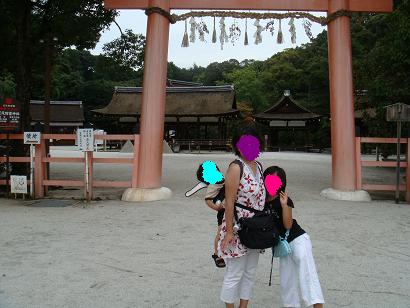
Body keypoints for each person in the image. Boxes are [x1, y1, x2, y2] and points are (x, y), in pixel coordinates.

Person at [263, 166, 324, 308]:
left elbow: (288, 225)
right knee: (287, 280)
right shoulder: (262, 201)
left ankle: (317, 305)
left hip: (298, 240)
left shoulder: (285, 199)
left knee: (307, 274)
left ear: (282, 183)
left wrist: (284, 206)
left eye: (276, 181)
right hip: (282, 245)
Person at [219, 125, 266, 308]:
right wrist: (229, 231)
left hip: (255, 228)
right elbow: (229, 202)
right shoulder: (236, 167)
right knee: (234, 273)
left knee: (250, 272)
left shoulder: (259, 166)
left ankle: (243, 306)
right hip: (237, 228)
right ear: (238, 146)